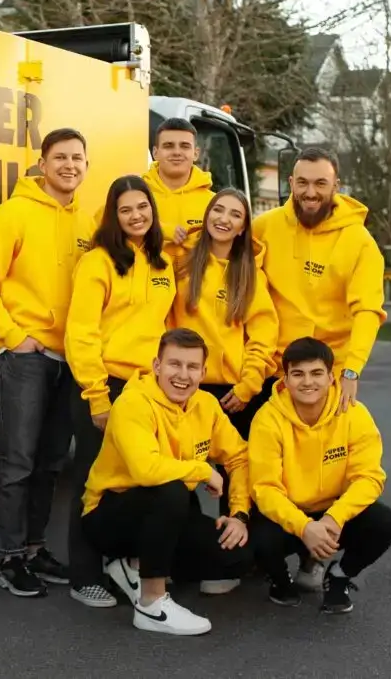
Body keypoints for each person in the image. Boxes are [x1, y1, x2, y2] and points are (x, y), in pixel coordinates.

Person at [0, 127, 95, 598]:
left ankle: (36, 549)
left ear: (86, 164)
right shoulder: (13, 214)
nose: (69, 165)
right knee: (16, 461)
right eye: (60, 157)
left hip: (69, 359)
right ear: (42, 162)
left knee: (50, 463)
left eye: (77, 158)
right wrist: (14, 337)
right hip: (26, 357)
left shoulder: (88, 224)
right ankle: (10, 559)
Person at [252, 146, 387, 587]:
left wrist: (350, 372)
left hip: (327, 376)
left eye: (320, 183)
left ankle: (316, 552)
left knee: (325, 465)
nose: (311, 192)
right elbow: (220, 253)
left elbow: (368, 309)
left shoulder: (358, 242)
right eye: (302, 183)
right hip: (272, 367)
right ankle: (258, 558)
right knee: (264, 468)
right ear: (290, 184)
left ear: (336, 187)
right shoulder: (266, 228)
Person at [80, 328, 253, 635]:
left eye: (192, 367)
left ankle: (133, 566)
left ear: (203, 371)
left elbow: (239, 457)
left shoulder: (206, 405)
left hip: (166, 514)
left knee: (235, 556)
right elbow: (147, 470)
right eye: (174, 364)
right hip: (110, 515)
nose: (183, 375)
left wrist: (239, 514)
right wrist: (202, 471)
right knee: (170, 490)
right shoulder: (133, 404)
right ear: (157, 366)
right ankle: (151, 604)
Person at [63, 175, 176, 608]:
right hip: (104, 384)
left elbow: (163, 330)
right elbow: (82, 334)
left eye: (142, 207)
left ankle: (126, 564)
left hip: (146, 390)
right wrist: (96, 395)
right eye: (126, 209)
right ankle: (84, 575)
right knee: (93, 480)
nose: (136, 216)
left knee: (136, 479)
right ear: (113, 215)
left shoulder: (161, 262)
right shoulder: (97, 263)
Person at [248, 337, 391, 614]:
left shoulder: (354, 413)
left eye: (317, 373)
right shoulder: (267, 419)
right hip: (289, 514)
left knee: (383, 522)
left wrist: (334, 517)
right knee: (255, 537)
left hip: (333, 513)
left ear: (332, 377)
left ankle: (339, 577)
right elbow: (264, 489)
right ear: (285, 378)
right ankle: (281, 581)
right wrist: (304, 527)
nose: (308, 382)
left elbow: (369, 478)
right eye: (298, 374)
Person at [170, 187, 279, 516]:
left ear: (243, 227)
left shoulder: (249, 275)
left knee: (238, 471)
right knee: (177, 473)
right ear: (206, 216)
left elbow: (263, 334)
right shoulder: (181, 260)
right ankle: (180, 549)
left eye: (235, 214)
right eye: (218, 210)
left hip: (230, 390)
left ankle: (237, 544)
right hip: (181, 384)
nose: (224, 219)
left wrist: (248, 385)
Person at [97, 118, 215, 246]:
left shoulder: (213, 204)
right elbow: (103, 234)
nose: (176, 152)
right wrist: (158, 230)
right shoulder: (132, 194)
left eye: (184, 146)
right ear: (155, 152)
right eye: (168, 146)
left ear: (196, 153)